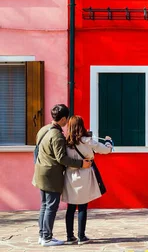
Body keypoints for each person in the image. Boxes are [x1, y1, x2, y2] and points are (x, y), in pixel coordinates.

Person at [33, 104, 92, 247]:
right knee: (51, 206)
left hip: (40, 172)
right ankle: (47, 237)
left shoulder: (43, 130)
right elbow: (62, 158)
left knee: (44, 205)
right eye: (66, 120)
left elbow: (36, 150)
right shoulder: (57, 135)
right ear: (64, 119)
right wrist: (81, 164)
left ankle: (42, 235)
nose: (67, 123)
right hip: (51, 175)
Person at [62, 115, 112, 245]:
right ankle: (81, 236)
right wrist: (109, 142)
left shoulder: (66, 142)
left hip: (69, 175)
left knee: (71, 207)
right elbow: (105, 150)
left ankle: (69, 236)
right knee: (83, 206)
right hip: (84, 175)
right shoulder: (87, 141)